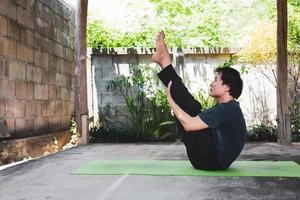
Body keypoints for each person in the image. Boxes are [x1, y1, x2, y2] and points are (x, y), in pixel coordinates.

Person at [152, 31, 246, 170]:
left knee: (191, 109)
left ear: (227, 87)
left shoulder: (228, 109)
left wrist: (171, 101)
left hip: (209, 160)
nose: (212, 83)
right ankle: (164, 61)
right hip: (211, 159)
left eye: (216, 80)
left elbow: (189, 125)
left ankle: (164, 61)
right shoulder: (230, 108)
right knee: (192, 108)